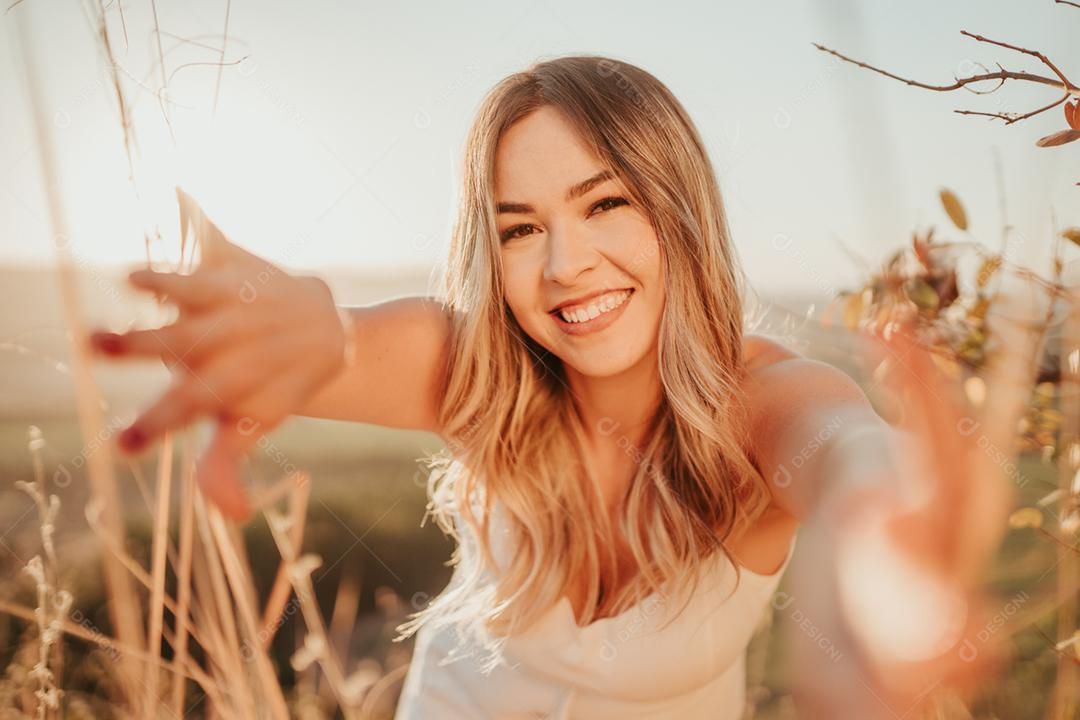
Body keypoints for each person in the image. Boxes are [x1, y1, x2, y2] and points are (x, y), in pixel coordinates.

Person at [88, 55, 1014, 719]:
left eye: (606, 203)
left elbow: (847, 458)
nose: (567, 265)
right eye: (521, 229)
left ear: (679, 209)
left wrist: (887, 539)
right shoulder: (479, 370)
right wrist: (295, 324)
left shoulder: (761, 406)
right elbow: (344, 343)